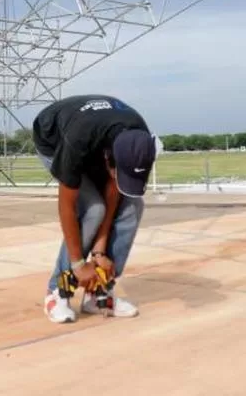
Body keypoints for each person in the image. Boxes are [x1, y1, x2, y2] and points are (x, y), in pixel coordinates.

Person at [32, 94, 158, 323]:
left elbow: (115, 192)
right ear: (108, 158)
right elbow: (67, 206)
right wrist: (79, 264)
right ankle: (57, 293)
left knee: (133, 206)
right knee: (93, 208)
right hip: (54, 139)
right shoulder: (77, 140)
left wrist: (99, 252)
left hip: (99, 140)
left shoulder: (139, 141)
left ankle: (99, 291)